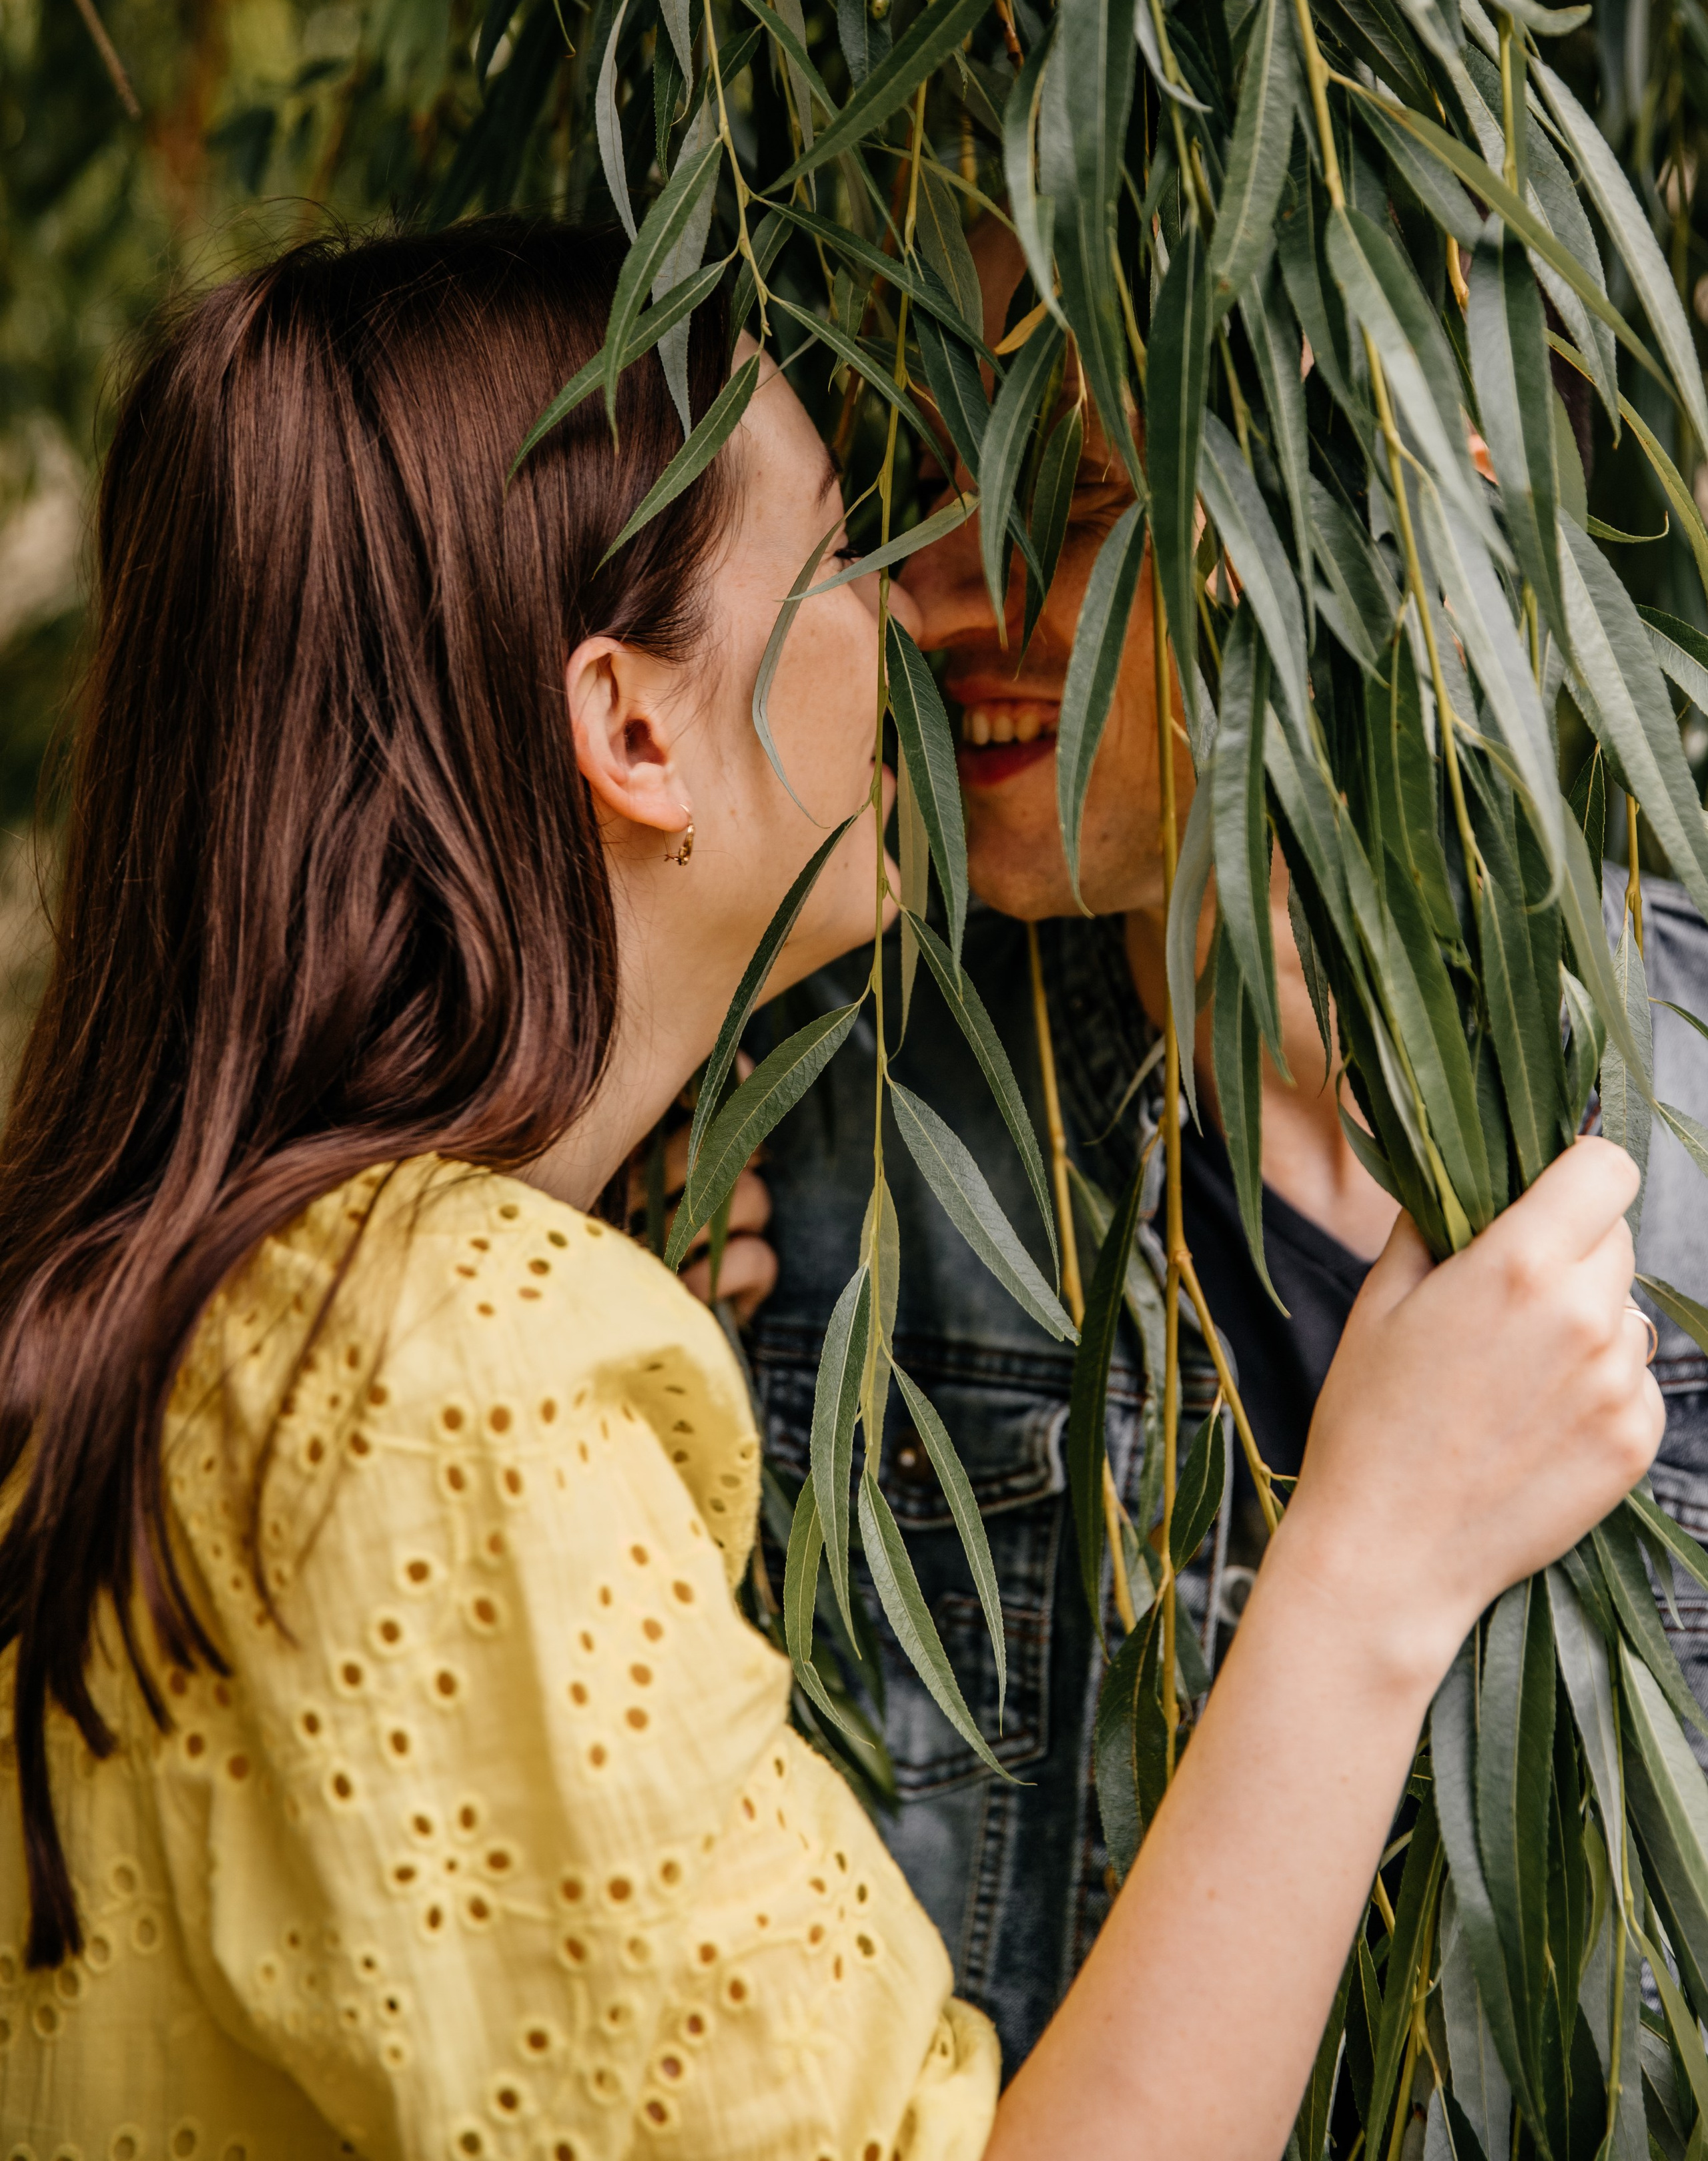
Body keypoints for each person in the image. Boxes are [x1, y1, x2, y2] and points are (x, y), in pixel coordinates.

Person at [0, 217, 1661, 2161]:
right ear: (636, 728)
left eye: (1060, 494)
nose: (931, 607)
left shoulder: (243, 1324)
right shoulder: (447, 1377)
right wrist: (1381, 1550)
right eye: (854, 541)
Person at [746, 218, 1708, 2068]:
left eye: (1080, 491)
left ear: (1412, 506)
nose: (937, 587)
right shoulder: (831, 1135)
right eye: (922, 478)